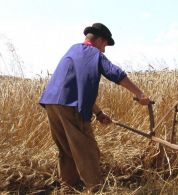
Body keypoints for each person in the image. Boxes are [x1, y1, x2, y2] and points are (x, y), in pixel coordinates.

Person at [39, 23, 152, 192]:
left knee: (66, 149)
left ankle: (68, 188)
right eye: (105, 45)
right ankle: (96, 189)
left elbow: (76, 88)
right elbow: (115, 73)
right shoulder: (93, 54)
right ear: (99, 40)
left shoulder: (73, 50)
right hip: (69, 106)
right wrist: (140, 95)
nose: (104, 50)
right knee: (88, 151)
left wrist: (98, 113)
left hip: (51, 103)